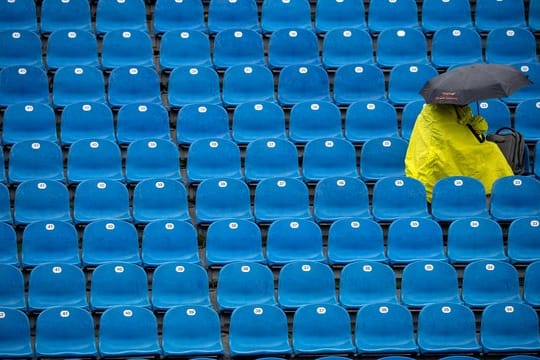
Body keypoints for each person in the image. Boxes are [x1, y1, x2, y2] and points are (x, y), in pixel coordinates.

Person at [405, 103, 513, 201]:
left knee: (491, 149)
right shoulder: (434, 113)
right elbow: (447, 135)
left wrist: (475, 123)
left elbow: (462, 129)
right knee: (488, 152)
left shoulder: (457, 109)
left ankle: (496, 188)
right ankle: (497, 189)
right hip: (443, 149)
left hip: (456, 146)